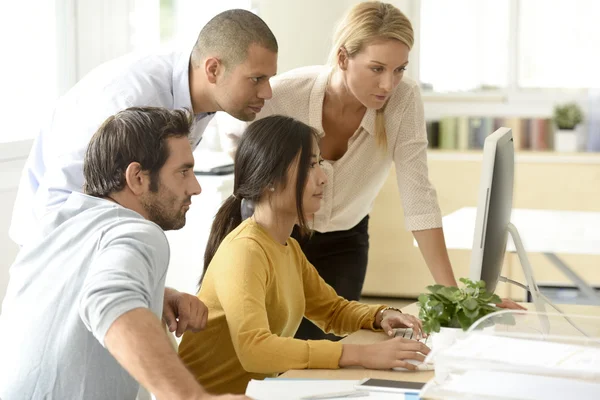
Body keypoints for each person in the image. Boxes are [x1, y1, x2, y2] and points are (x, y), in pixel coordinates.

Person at [226, 1, 523, 341]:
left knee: (325, 351)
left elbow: (418, 194)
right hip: (274, 234)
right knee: (261, 347)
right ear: (342, 58)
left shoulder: (404, 100)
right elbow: (236, 142)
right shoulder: (284, 95)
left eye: (399, 69)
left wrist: (454, 295)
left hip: (344, 239)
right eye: (377, 68)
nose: (388, 84)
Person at [0, 107, 248, 400]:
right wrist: (192, 397)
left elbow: (78, 290)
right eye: (183, 171)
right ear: (137, 178)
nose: (195, 187)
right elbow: (107, 298)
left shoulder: (51, 228)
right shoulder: (139, 232)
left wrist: (157, 294)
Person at [178, 115, 430, 395]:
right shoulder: (245, 251)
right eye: (310, 165)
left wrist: (380, 315)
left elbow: (332, 311)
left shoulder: (287, 246)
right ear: (270, 180)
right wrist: (359, 354)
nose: (323, 177)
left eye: (319, 163)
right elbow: (254, 349)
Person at [10, 8, 277, 248]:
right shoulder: (129, 100)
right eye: (256, 79)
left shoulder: (202, 100)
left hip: (108, 244)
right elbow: (58, 201)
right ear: (213, 70)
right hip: (54, 241)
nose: (266, 92)